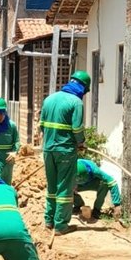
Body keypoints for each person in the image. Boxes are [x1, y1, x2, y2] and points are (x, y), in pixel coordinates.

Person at [39, 70, 90, 235]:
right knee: (65, 189)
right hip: (65, 151)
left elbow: (41, 126)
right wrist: (81, 142)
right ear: (83, 87)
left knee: (52, 187)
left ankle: (49, 220)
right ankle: (61, 225)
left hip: (48, 150)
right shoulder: (76, 102)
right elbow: (77, 128)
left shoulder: (49, 99)